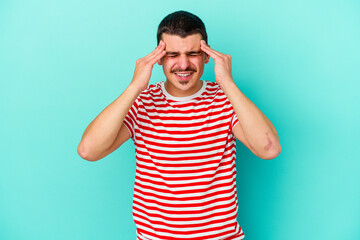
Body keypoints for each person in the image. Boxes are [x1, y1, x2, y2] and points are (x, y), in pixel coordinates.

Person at [77, 10, 281, 240]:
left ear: (206, 56)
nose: (183, 64)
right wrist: (134, 87)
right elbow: (88, 150)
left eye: (192, 53)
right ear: (159, 58)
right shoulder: (142, 102)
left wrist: (228, 84)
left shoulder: (225, 101)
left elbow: (269, 149)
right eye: (173, 54)